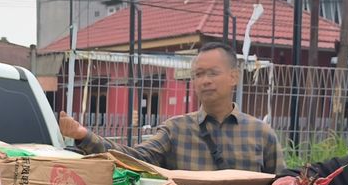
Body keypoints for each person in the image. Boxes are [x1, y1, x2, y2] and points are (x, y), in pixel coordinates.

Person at [58, 42, 281, 173]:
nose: (205, 81)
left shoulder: (261, 134)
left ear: (234, 77)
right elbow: (134, 158)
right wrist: (84, 135)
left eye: (212, 73)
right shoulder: (176, 130)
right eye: (198, 75)